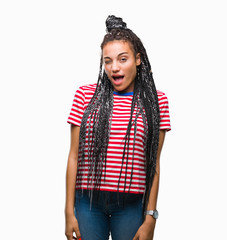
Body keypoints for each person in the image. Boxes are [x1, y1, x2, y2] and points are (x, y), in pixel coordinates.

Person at [64, 15, 171, 240]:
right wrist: (68, 211)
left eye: (123, 59)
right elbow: (74, 156)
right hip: (88, 203)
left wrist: (150, 216)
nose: (114, 67)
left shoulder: (156, 101)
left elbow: (155, 163)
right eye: (108, 61)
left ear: (138, 59)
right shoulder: (85, 95)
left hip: (132, 205)